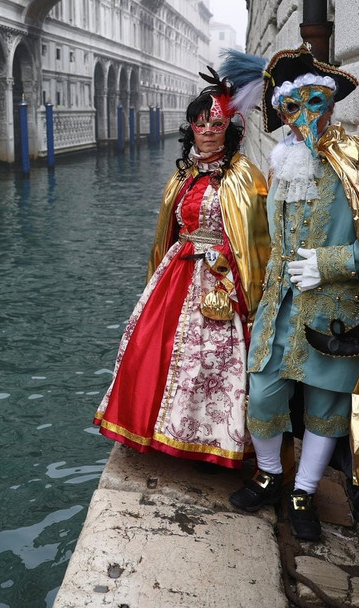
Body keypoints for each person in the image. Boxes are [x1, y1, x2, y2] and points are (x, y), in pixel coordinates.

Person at [221, 46, 359, 541]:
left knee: (326, 407)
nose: (304, 116)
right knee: (263, 392)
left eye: (314, 102)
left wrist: (331, 263)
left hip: (334, 312)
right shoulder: (280, 161)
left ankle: (303, 491)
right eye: (292, 106)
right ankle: (270, 474)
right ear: (281, 111)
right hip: (279, 305)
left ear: (330, 103)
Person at [94, 71, 270, 470]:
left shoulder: (245, 176)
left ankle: (207, 440)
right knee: (152, 346)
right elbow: (169, 231)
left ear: (230, 129)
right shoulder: (182, 176)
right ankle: (160, 431)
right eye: (201, 124)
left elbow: (254, 240)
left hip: (221, 277)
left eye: (217, 124)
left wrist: (232, 277)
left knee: (210, 359)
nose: (208, 131)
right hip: (177, 272)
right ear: (191, 128)